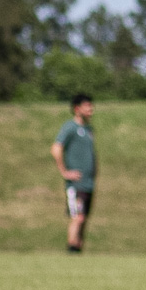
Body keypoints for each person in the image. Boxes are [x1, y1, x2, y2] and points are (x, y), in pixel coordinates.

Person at [51, 93, 96, 253]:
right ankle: (71, 250)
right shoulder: (70, 127)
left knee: (84, 220)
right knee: (77, 217)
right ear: (77, 109)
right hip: (76, 184)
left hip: (88, 183)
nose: (91, 109)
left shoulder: (89, 129)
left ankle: (78, 253)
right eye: (87, 106)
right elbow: (56, 148)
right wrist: (65, 172)